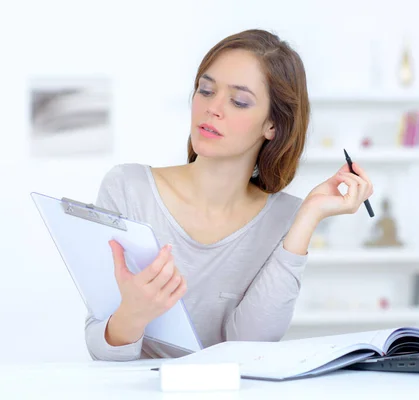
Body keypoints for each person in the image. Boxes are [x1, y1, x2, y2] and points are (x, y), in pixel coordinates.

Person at [84, 29, 373, 361]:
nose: (213, 108)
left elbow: (249, 345)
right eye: (205, 91)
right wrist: (132, 315)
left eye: (239, 101)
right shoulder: (127, 189)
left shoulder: (284, 218)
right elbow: (100, 347)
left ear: (273, 126)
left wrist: (308, 216)